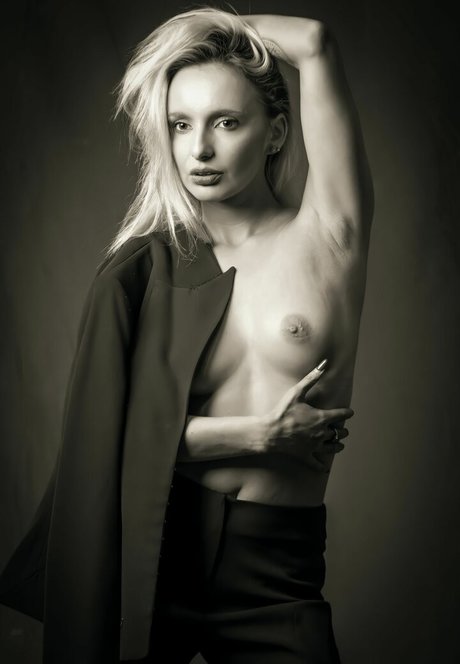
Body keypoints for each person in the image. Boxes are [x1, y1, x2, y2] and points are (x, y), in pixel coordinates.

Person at [0, 6, 373, 663]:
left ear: (276, 131)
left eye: (226, 122)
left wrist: (212, 31)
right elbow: (107, 439)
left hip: (274, 565)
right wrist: (260, 436)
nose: (199, 150)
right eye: (180, 124)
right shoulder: (145, 270)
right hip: (158, 548)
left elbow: (314, 42)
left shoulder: (329, 238)